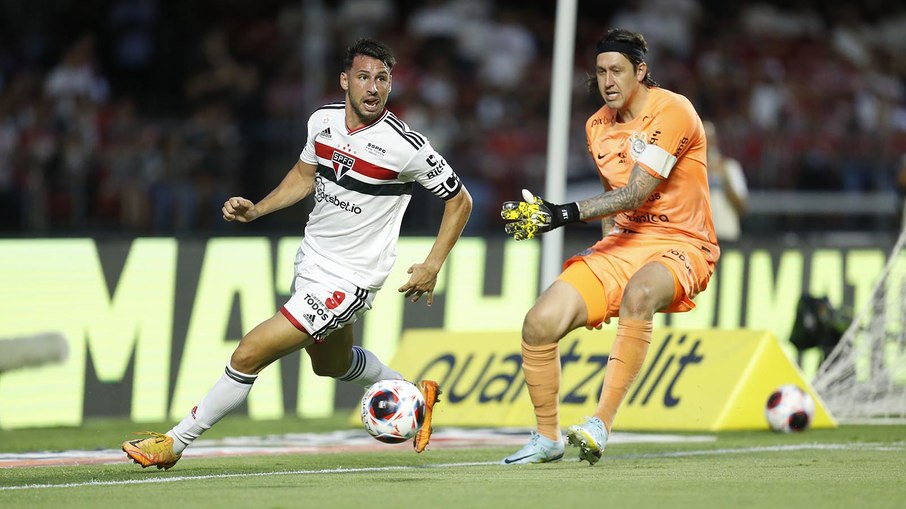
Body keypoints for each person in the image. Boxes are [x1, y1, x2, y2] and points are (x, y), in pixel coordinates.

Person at [122, 38, 473, 469]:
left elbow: (460, 201)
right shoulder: (322, 121)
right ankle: (412, 392)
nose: (373, 87)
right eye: (363, 76)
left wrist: (433, 263)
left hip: (350, 280)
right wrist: (258, 209)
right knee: (331, 365)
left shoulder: (406, 146)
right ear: (345, 80)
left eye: (382, 79)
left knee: (249, 352)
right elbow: (305, 175)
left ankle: (174, 443)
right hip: (311, 262)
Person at [499, 28, 718, 465]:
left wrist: (560, 213)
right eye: (600, 72)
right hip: (625, 243)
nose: (608, 81)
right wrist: (601, 259)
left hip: (683, 242)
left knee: (639, 292)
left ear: (641, 71)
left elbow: (636, 192)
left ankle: (600, 423)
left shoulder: (673, 110)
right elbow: (613, 200)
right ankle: (547, 438)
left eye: (617, 70)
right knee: (538, 324)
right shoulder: (597, 125)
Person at [703, 120, 748, 241]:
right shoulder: (689, 170)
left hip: (727, 234)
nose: (707, 144)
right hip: (701, 238)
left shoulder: (730, 167)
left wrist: (725, 179)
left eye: (710, 139)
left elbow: (742, 207)